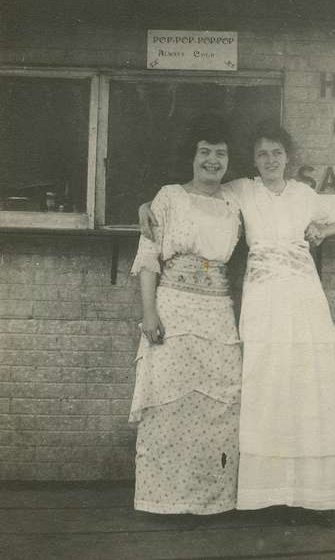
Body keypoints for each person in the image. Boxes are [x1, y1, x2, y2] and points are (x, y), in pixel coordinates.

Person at [139, 120, 335, 514]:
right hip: (263, 297)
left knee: (307, 381)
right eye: (262, 154)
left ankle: (314, 495)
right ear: (253, 160)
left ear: (288, 157)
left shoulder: (305, 194)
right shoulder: (243, 190)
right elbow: (196, 195)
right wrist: (145, 207)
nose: (270, 160)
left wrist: (324, 233)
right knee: (264, 382)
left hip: (304, 296)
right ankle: (266, 494)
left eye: (277, 153)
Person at [129, 115, 242, 514]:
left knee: (219, 405)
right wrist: (149, 314)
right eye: (205, 152)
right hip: (174, 308)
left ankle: (211, 502)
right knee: (169, 402)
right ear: (192, 156)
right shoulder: (169, 196)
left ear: (229, 160)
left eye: (221, 153)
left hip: (218, 312)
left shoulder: (235, 200)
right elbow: (148, 259)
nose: (213, 160)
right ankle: (165, 501)